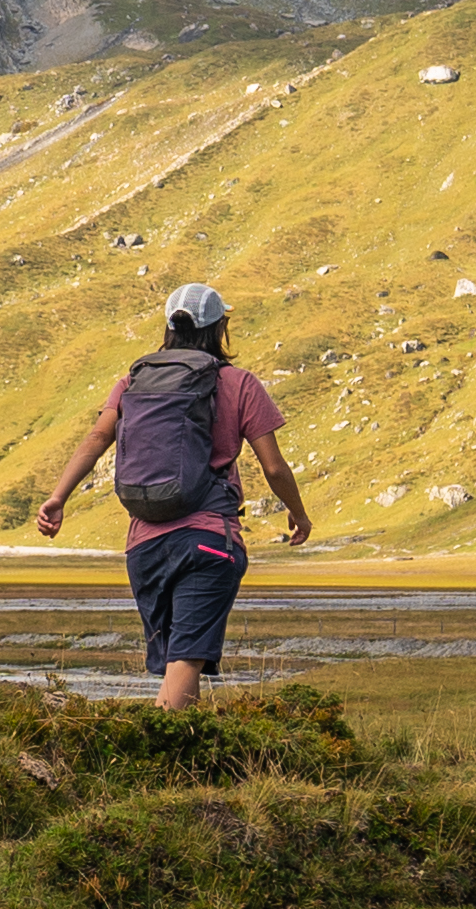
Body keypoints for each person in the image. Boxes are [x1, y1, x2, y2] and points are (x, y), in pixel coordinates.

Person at [27, 280, 311, 707]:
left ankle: (183, 763)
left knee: (181, 660)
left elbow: (98, 436)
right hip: (209, 540)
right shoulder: (239, 383)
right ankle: (156, 757)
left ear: (170, 327)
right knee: (187, 658)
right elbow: (273, 466)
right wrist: (298, 514)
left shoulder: (133, 381)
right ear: (220, 329)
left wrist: (58, 496)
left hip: (145, 547)